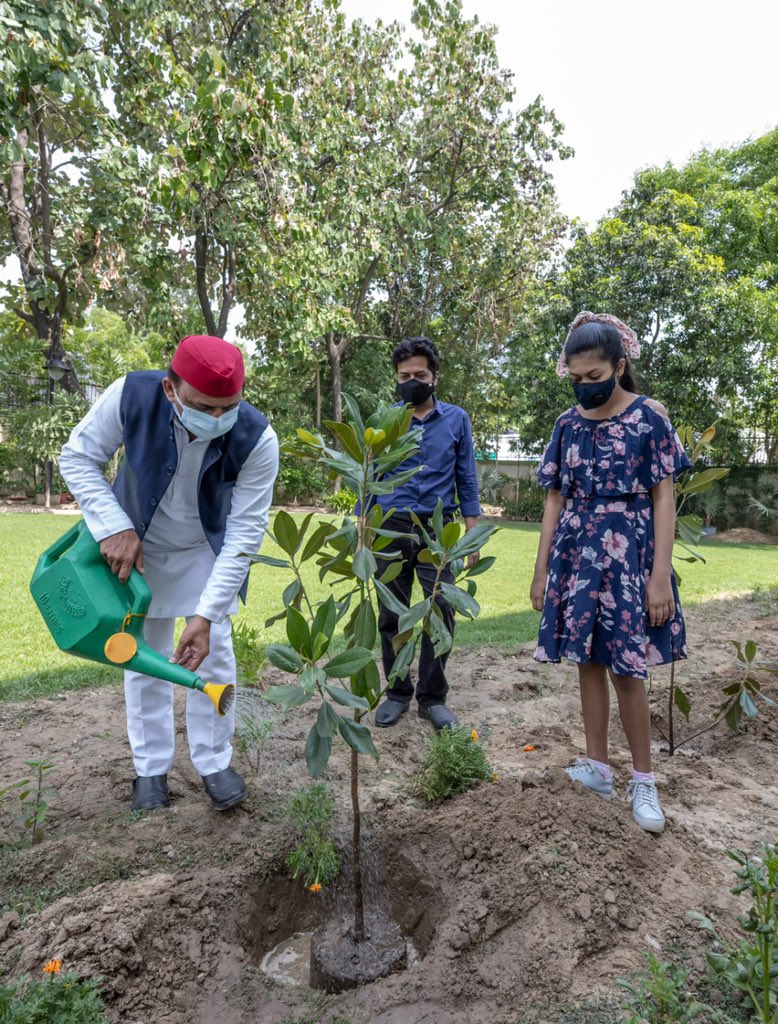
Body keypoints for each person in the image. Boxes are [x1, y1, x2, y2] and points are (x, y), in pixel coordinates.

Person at [59, 335, 279, 812]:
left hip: (207, 549)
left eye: (229, 409)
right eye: (204, 407)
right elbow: (77, 456)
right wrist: (114, 528)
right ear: (169, 389)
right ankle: (150, 770)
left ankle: (215, 761)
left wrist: (205, 614)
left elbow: (243, 536)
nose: (217, 420)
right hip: (136, 545)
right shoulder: (131, 395)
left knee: (215, 654)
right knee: (144, 656)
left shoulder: (258, 438)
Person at [530, 311, 690, 833]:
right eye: (576, 379)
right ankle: (597, 767)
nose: (584, 388)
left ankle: (643, 780)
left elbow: (664, 496)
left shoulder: (650, 417)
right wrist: (540, 572)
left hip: (631, 554)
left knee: (627, 669)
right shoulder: (566, 425)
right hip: (576, 556)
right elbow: (554, 499)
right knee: (587, 662)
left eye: (594, 378)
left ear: (619, 367)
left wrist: (660, 575)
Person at [371, 337, 482, 731]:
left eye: (419, 375)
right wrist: (363, 530)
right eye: (404, 376)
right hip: (390, 527)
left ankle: (432, 698)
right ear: (396, 379)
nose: (412, 381)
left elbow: (466, 477)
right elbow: (371, 479)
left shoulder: (457, 420)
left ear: (435, 377)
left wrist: (471, 533)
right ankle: (397, 692)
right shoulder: (385, 421)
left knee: (440, 612)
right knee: (392, 615)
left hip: (439, 532)